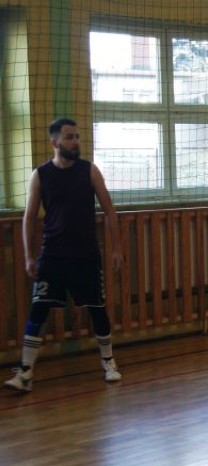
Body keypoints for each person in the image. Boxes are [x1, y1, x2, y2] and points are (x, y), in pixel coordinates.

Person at [4, 118, 123, 393]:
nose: (75, 142)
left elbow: (109, 211)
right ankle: (25, 372)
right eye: (70, 137)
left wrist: (116, 248)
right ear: (55, 142)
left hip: (86, 255)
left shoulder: (89, 171)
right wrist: (29, 256)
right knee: (38, 309)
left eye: (77, 137)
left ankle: (109, 362)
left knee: (97, 308)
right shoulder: (41, 174)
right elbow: (30, 216)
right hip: (53, 256)